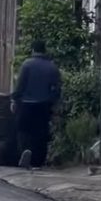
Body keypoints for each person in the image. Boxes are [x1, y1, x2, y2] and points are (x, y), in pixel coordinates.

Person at [11, 40, 61, 169]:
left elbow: (20, 85)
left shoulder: (27, 65)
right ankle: (38, 161)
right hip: (44, 105)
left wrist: (14, 98)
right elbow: (56, 89)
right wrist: (52, 103)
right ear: (45, 50)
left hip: (26, 104)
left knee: (23, 130)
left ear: (33, 50)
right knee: (41, 134)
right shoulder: (52, 67)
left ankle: (25, 151)